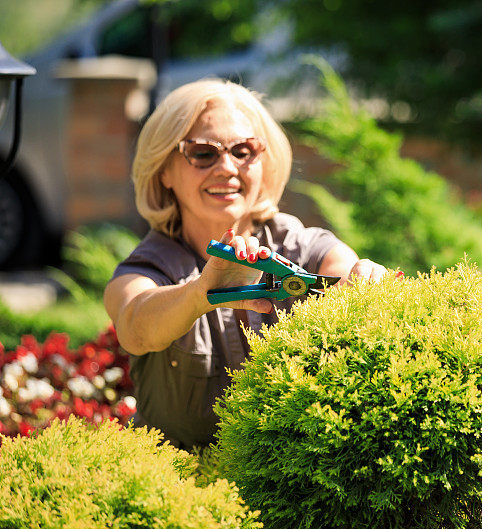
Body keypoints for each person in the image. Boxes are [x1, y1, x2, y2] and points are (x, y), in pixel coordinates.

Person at [104, 79, 387, 450]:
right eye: (203, 152)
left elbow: (344, 272)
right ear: (164, 170)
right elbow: (135, 325)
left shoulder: (301, 245)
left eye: (244, 150)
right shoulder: (149, 267)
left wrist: (363, 284)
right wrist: (198, 296)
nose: (226, 167)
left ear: (264, 165)